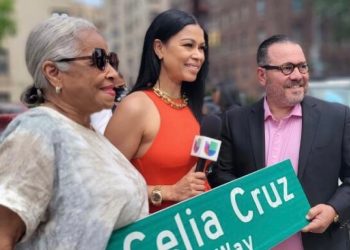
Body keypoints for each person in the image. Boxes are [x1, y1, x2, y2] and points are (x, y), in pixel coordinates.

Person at [0, 15, 148, 250]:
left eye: (112, 61)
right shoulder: (39, 130)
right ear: (53, 72)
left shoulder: (91, 135)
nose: (111, 73)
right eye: (99, 60)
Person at [207, 34, 350, 249]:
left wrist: (333, 210)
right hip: (255, 243)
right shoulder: (234, 121)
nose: (297, 75)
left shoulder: (337, 117)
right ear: (262, 75)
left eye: (303, 67)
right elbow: (221, 175)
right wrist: (255, 201)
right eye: (287, 68)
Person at [105, 9, 209, 213]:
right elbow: (103, 186)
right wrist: (169, 192)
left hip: (202, 229)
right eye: (188, 45)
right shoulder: (136, 107)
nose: (198, 56)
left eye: (202, 48)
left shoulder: (194, 107)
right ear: (159, 48)